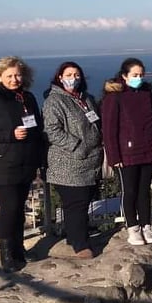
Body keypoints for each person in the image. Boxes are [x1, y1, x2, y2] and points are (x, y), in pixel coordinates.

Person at [0, 56, 45, 273]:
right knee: (10, 207)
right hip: (1, 163)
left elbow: (37, 126)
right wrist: (9, 135)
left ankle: (19, 250)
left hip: (25, 161)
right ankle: (7, 256)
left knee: (19, 209)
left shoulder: (27, 98)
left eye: (18, 75)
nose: (14, 79)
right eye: (10, 76)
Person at [42, 61, 104, 259]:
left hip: (90, 161)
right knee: (76, 204)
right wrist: (78, 146)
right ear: (59, 77)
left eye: (77, 75)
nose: (73, 78)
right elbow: (52, 130)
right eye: (69, 75)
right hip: (68, 163)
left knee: (83, 202)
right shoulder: (54, 101)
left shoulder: (86, 98)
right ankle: (80, 245)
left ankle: (75, 237)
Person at [101, 58, 152, 247]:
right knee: (129, 191)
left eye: (141, 75)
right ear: (124, 76)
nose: (139, 78)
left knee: (144, 191)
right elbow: (109, 129)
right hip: (126, 153)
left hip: (147, 151)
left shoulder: (146, 94)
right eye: (135, 75)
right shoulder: (114, 97)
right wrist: (114, 156)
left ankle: (146, 226)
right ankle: (133, 227)